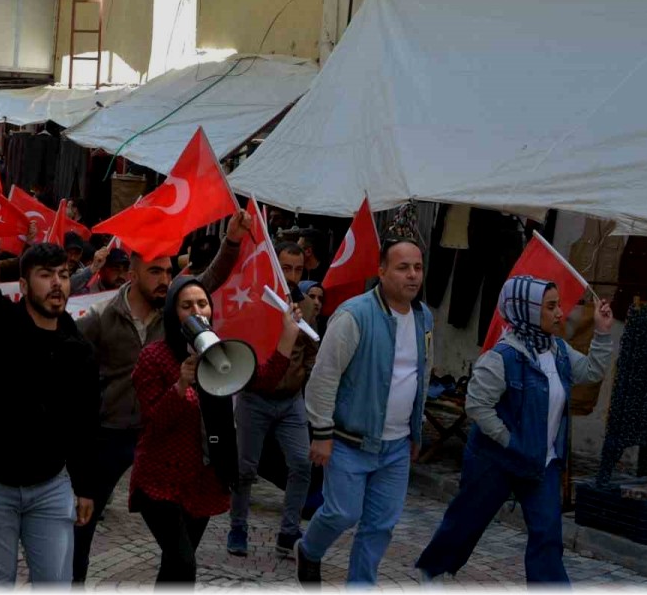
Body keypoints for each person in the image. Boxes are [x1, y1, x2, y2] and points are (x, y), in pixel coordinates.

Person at [71, 217, 248, 584]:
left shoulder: (177, 313)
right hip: (112, 431)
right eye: (155, 272)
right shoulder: (100, 317)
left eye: (168, 272)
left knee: (179, 557)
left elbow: (206, 282)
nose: (164, 280)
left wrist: (231, 241)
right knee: (83, 523)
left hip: (162, 435)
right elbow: (72, 368)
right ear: (133, 273)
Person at [415, 277, 615, 584]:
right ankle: (432, 572)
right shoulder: (502, 357)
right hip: (496, 461)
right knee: (466, 522)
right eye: (550, 307)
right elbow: (478, 406)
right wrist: (511, 441)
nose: (560, 313)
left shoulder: (558, 350)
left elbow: (591, 371)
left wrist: (602, 333)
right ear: (527, 311)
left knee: (547, 536)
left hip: (542, 463)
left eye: (557, 305)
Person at [0, 164, 98, 585]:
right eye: (45, 275)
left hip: (50, 485)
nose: (57, 284)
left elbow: (85, 422)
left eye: (64, 276)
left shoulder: (79, 349)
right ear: (24, 284)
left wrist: (84, 484)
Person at [129, 275, 300, 584]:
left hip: (204, 479)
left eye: (202, 303)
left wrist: (288, 335)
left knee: (176, 568)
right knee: (184, 563)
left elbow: (262, 379)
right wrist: (181, 385)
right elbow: (153, 422)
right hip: (161, 480)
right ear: (172, 313)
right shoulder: (154, 357)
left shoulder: (221, 352)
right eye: (186, 305)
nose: (197, 311)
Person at [295, 238, 432, 586]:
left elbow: (422, 374)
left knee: (380, 526)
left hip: (397, 446)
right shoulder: (355, 315)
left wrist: (416, 431)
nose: (413, 275)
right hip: (348, 440)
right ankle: (309, 549)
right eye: (403, 267)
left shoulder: (424, 317)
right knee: (342, 512)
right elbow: (324, 376)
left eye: (417, 267)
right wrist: (322, 433)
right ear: (382, 271)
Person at [228, 242, 322, 558]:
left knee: (301, 463)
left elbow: (310, 350)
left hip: (290, 400)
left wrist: (302, 380)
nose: (292, 276)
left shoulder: (306, 306)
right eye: (286, 268)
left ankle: (288, 532)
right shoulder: (255, 300)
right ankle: (238, 527)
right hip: (255, 397)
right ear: (273, 265)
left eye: (298, 269)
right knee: (244, 468)